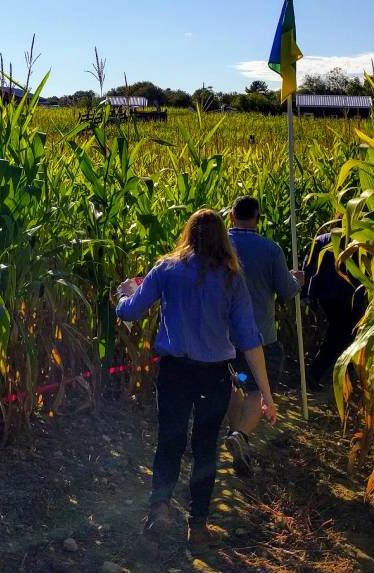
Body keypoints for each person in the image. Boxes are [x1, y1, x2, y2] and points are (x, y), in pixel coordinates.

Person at [114, 209, 277, 551]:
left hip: (175, 372)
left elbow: (130, 311)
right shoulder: (232, 277)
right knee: (205, 449)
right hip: (214, 376)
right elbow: (249, 337)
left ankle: (159, 508)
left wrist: (123, 294)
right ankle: (198, 527)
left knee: (169, 441)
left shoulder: (166, 269)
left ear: (188, 234)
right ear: (222, 237)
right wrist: (265, 392)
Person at [224, 196, 304, 475]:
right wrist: (298, 280)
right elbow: (287, 290)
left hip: (225, 338)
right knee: (258, 389)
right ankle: (241, 437)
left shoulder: (218, 247)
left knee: (236, 383)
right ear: (258, 219)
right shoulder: (270, 250)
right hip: (260, 337)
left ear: (231, 217)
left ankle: (237, 440)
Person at [302, 228, 365, 391]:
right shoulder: (361, 239)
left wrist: (306, 294)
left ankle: (345, 376)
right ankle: (318, 373)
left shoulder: (322, 239)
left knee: (342, 334)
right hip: (350, 295)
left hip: (326, 295)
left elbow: (308, 265)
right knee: (343, 335)